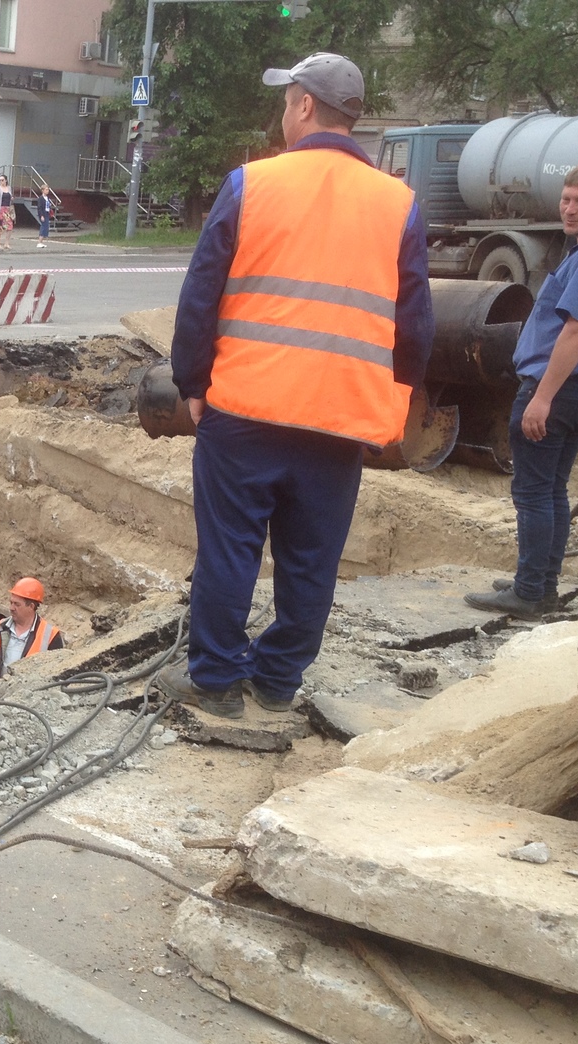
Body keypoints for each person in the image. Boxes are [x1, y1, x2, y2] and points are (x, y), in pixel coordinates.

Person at [158, 53, 433, 720]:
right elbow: (415, 325)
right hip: (339, 420)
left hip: (246, 407)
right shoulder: (398, 203)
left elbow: (202, 295)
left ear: (305, 106)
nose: (283, 114)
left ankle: (217, 683)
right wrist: (390, 410)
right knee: (311, 559)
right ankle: (278, 682)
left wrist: (193, 383)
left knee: (230, 551)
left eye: (287, 102)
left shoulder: (253, 184)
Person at [464, 161, 578, 618]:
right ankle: (540, 583)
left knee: (534, 494)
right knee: (553, 490)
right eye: (566, 198)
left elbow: (577, 333)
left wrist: (541, 397)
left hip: (559, 389)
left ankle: (528, 592)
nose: (570, 208)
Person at [0, 175, 14, 251]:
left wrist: (11, 198)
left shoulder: (9, 188)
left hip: (7, 209)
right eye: (0, 180)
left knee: (10, 226)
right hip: (0, 209)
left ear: (6, 180)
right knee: (0, 226)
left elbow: (10, 197)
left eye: (2, 180)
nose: (1, 182)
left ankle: (6, 243)